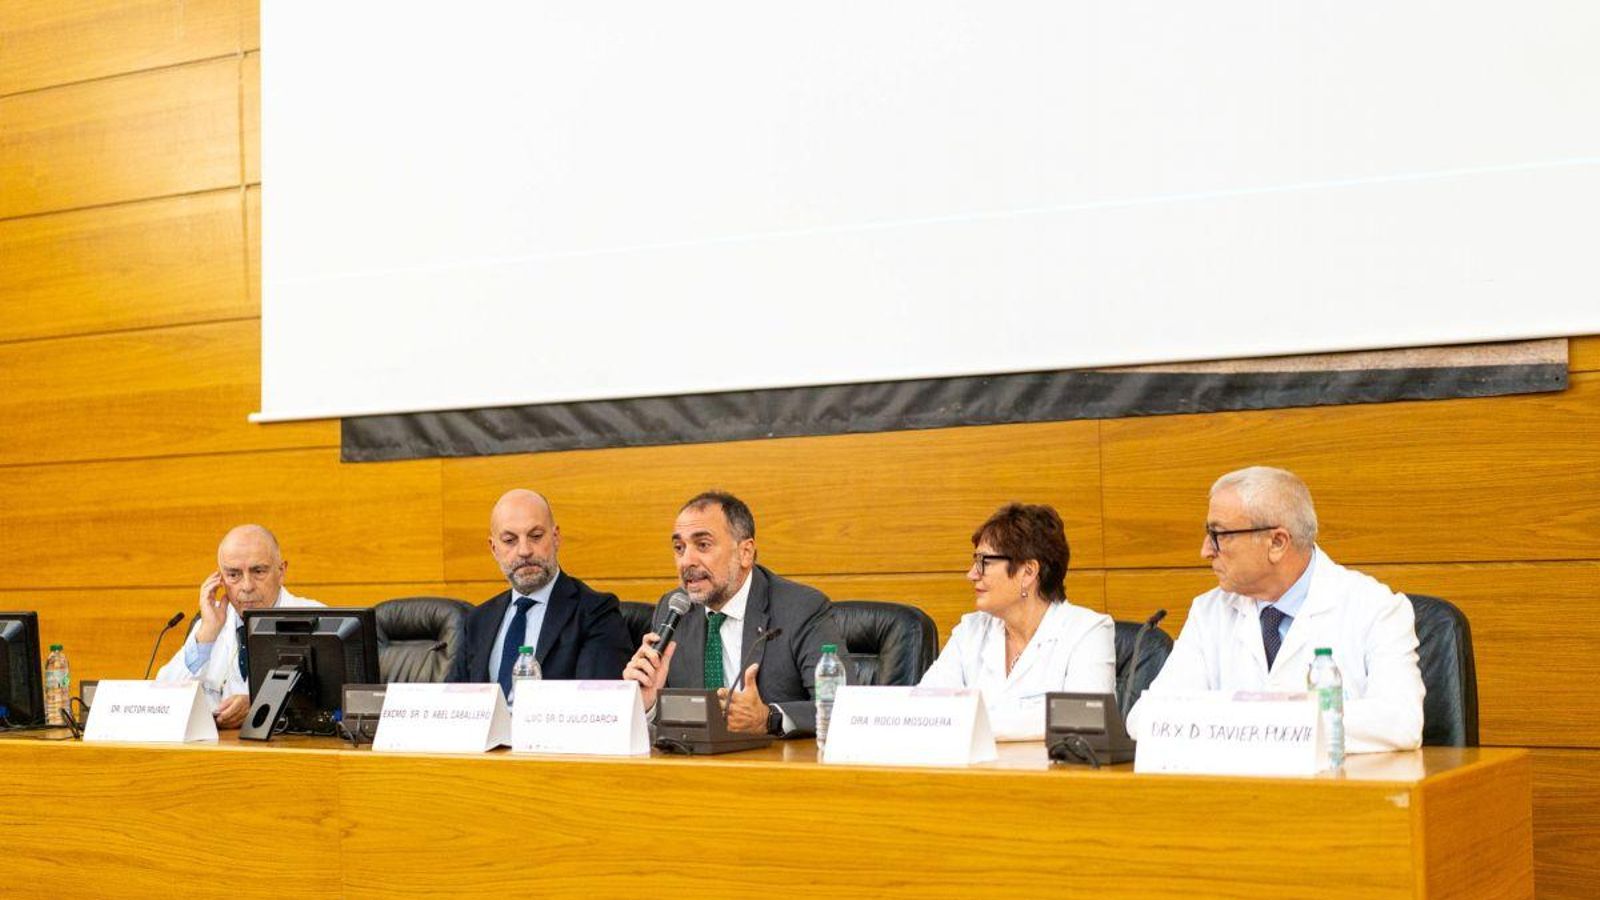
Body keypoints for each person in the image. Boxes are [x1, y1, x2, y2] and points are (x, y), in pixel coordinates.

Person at [1125, 466, 1425, 752]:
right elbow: (1144, 720)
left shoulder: (1376, 608)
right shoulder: (1209, 612)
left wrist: (1259, 719)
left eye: (1220, 535)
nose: (1205, 550)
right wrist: (1278, 722)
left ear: (1277, 542)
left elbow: (1401, 721)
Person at [623, 491, 846, 738]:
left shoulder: (801, 608)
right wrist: (648, 705)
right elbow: (677, 724)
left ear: (745, 553)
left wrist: (769, 717)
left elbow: (841, 706)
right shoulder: (674, 609)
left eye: (703, 545)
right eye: (679, 548)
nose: (686, 561)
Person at [918, 502, 1115, 740]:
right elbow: (925, 709)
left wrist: (969, 719)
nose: (971, 574)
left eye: (985, 562)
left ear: (1028, 572)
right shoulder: (970, 630)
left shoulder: (1088, 631)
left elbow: (1083, 718)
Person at [448, 489, 632, 693]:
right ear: (494, 549)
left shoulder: (596, 612)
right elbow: (451, 703)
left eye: (535, 536)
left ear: (555, 537)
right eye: (510, 541)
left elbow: (596, 704)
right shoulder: (478, 620)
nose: (524, 551)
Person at [155, 525, 323, 728]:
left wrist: (260, 705)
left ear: (281, 571)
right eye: (234, 575)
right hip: (217, 752)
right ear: (220, 580)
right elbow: (163, 699)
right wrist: (207, 634)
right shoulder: (210, 624)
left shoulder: (317, 619)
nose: (247, 586)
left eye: (258, 571)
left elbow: (333, 706)